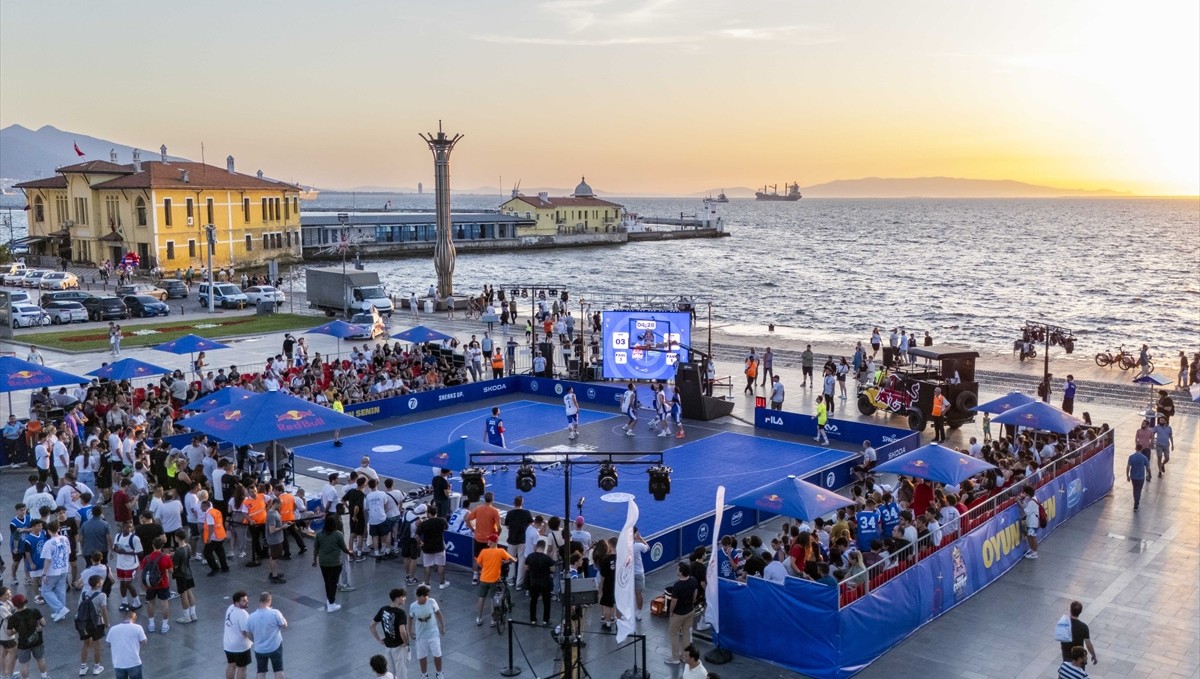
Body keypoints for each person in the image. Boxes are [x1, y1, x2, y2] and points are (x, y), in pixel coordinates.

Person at [312, 516, 353, 613]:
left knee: (327, 582)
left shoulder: (319, 535)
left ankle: (329, 599)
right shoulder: (338, 534)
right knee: (333, 583)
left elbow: (316, 549)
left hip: (323, 562)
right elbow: (344, 548)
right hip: (335, 563)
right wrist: (351, 553)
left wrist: (314, 560)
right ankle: (331, 603)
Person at [244, 591, 287, 679]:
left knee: (261, 671)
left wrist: (255, 641)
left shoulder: (251, 617)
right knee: (278, 670)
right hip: (275, 647)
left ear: (260, 601)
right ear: (269, 600)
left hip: (260, 649)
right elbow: (284, 626)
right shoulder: (275, 613)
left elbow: (247, 633)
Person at [474, 533, 515, 626]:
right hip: (494, 580)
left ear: (492, 542)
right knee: (493, 599)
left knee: (481, 598)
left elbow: (478, 562)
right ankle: (493, 620)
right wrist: (507, 561)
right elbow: (512, 559)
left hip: (484, 578)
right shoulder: (500, 551)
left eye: (489, 540)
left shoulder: (484, 551)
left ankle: (479, 618)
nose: (487, 541)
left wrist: (484, 567)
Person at [407, 585, 446, 679]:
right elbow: (410, 618)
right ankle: (424, 674)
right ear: (419, 596)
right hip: (421, 635)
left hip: (433, 633)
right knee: (422, 656)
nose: (426, 598)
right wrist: (410, 631)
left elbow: (438, 613)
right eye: (424, 596)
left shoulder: (432, 602)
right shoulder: (413, 606)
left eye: (427, 595)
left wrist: (442, 626)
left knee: (437, 654)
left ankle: (439, 673)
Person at [665, 561, 699, 665]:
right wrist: (692, 603)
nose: (677, 570)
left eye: (678, 569)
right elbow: (695, 594)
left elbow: (674, 601)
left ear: (681, 572)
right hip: (690, 611)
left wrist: (671, 612)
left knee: (673, 634)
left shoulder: (677, 585)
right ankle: (686, 657)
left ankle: (675, 658)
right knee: (686, 634)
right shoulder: (693, 580)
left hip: (678, 614)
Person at [370, 588, 409, 679]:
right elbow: (402, 630)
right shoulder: (401, 613)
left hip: (388, 647)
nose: (405, 598)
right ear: (397, 598)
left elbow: (372, 626)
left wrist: (379, 639)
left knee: (390, 674)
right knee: (402, 674)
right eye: (403, 597)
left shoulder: (383, 609)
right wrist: (406, 642)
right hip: (399, 647)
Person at [138, 535, 174, 634]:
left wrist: (143, 585)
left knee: (150, 603)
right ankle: (164, 625)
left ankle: (151, 624)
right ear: (162, 546)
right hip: (163, 583)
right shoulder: (165, 557)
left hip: (150, 584)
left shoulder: (147, 558)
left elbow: (142, 571)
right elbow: (171, 571)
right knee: (164, 603)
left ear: (153, 545)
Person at [7, 594, 47, 679]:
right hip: (37, 640)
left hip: (23, 643)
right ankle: (45, 677)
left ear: (14, 605)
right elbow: (43, 623)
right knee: (40, 659)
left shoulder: (13, 617)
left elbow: (9, 633)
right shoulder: (35, 611)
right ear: (25, 601)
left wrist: (17, 629)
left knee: (24, 664)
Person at [466, 492, 501, 585]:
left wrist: (473, 529)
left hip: (478, 538)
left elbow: (467, 519)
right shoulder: (495, 511)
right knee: (489, 558)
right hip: (489, 540)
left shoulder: (478, 508)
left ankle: (475, 576)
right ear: (492, 500)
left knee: (476, 557)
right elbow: (499, 526)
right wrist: (497, 535)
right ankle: (486, 575)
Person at [105, 608, 147, 679]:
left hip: (118, 663)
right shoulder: (138, 628)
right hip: (134, 662)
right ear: (135, 618)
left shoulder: (113, 629)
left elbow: (108, 644)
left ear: (123, 618)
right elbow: (144, 641)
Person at [223, 591, 253, 679]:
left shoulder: (230, 608)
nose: (247, 602)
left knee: (231, 665)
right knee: (242, 668)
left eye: (246, 599)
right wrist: (255, 641)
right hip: (240, 647)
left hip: (228, 644)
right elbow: (246, 632)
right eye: (243, 601)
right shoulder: (242, 614)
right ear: (237, 602)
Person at [1059, 600, 1099, 665]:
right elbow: (1088, 645)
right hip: (1078, 659)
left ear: (1070, 610)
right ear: (1080, 612)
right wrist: (1093, 655)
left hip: (1066, 656)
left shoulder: (1064, 622)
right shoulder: (1083, 627)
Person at [1126, 446, 1151, 512]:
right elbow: (1148, 468)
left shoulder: (1131, 457)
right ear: (1141, 449)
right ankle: (1136, 503)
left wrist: (1127, 476)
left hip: (1133, 477)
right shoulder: (1144, 458)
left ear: (1135, 448)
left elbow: (1128, 467)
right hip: (1141, 477)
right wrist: (1150, 474)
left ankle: (1136, 500)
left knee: (1135, 489)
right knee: (1139, 490)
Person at [1020, 485, 1040, 559]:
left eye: (1024, 493)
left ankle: (1034, 552)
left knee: (1032, 537)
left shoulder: (1032, 501)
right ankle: (1033, 551)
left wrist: (1019, 502)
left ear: (1027, 493)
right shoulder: (1033, 499)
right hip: (1031, 521)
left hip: (1032, 522)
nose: (1024, 495)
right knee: (1030, 536)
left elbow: (1027, 511)